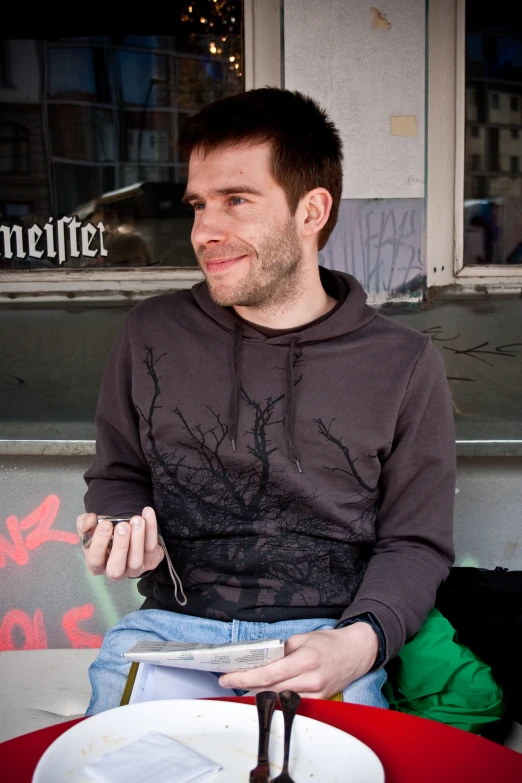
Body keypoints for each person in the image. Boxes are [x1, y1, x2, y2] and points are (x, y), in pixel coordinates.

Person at [78, 87, 456, 715]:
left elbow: (416, 543)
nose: (205, 231)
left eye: (236, 201)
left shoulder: (403, 363)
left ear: (311, 212)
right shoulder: (151, 334)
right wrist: (120, 522)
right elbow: (119, 475)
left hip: (322, 640)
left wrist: (359, 644)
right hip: (170, 632)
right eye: (199, 204)